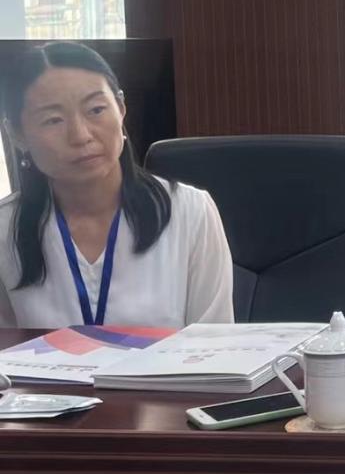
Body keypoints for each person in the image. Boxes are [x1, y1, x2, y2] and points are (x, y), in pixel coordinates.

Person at [0, 42, 234, 328]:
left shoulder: (190, 212)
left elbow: (215, 343)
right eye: (53, 120)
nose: (81, 135)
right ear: (17, 135)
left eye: (96, 109)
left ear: (121, 108)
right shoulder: (5, 228)